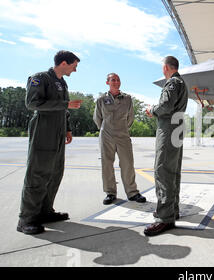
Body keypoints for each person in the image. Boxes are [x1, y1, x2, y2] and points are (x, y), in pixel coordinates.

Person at [17, 50, 82, 235]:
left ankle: (45, 211)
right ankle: (26, 219)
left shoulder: (62, 82)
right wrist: (65, 105)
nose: (75, 70)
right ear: (63, 63)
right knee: (37, 173)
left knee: (54, 172)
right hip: (43, 130)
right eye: (73, 66)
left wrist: (68, 127)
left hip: (58, 131)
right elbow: (32, 103)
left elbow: (63, 109)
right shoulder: (40, 78)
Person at [144, 56, 188, 236]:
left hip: (169, 128)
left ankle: (165, 218)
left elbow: (165, 106)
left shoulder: (172, 83)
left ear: (165, 68)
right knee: (173, 171)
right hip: (177, 128)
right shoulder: (182, 83)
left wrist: (151, 110)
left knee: (163, 171)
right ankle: (172, 210)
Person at [93, 73, 146, 205]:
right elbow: (97, 118)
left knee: (127, 163)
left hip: (123, 135)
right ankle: (110, 193)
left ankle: (132, 192)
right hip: (106, 135)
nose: (116, 82)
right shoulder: (101, 100)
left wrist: (121, 129)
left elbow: (131, 118)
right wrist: (106, 129)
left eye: (118, 80)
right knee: (107, 164)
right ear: (107, 82)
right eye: (113, 80)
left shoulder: (127, 99)